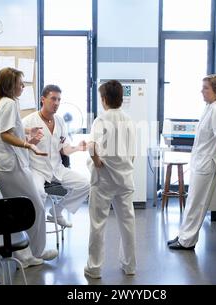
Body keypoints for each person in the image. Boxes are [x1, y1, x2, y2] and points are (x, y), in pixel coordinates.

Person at [0, 67, 58, 267]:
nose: (23, 87)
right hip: (12, 166)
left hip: (3, 165)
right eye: (20, 83)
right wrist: (29, 144)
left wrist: (26, 130)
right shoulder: (9, 103)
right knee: (35, 206)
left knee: (18, 210)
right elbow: (5, 135)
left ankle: (26, 254)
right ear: (11, 85)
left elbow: (8, 128)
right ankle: (35, 252)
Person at [168, 75, 216, 250]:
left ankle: (187, 241)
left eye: (206, 88)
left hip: (207, 163)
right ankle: (183, 235)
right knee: (192, 202)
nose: (202, 91)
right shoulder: (210, 107)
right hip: (201, 161)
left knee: (198, 203)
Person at [84, 80, 137, 279]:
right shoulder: (129, 120)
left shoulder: (101, 119)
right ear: (121, 99)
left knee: (98, 224)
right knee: (128, 222)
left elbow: (91, 146)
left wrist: (96, 159)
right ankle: (130, 265)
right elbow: (132, 152)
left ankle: (94, 268)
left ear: (104, 99)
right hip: (125, 179)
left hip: (103, 180)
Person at [22, 85, 90, 228]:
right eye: (53, 99)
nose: (57, 103)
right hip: (37, 169)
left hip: (57, 168)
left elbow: (64, 150)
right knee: (39, 193)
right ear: (43, 99)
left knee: (85, 184)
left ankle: (56, 212)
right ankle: (37, 230)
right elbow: (19, 148)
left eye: (59, 99)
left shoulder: (60, 121)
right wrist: (32, 141)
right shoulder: (28, 122)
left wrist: (78, 148)